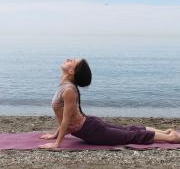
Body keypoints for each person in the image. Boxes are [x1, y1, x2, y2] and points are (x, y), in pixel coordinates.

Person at [39, 58, 180, 149]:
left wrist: (57, 144)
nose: (70, 58)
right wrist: (55, 135)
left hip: (91, 129)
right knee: (128, 130)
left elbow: (66, 120)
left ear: (71, 71)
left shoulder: (69, 89)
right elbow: (64, 116)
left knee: (129, 135)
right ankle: (165, 132)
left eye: (73, 61)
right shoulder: (65, 86)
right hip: (90, 125)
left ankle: (170, 137)